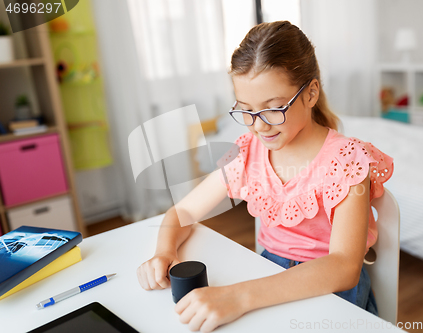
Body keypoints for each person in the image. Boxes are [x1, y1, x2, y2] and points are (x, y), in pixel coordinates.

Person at [136, 20, 394, 332]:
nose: (259, 126)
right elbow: (185, 210)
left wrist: (238, 297)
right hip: (266, 277)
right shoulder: (247, 153)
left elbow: (343, 267)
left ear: (311, 93)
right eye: (246, 111)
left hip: (330, 291)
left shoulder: (346, 160)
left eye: (273, 109)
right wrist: (164, 251)